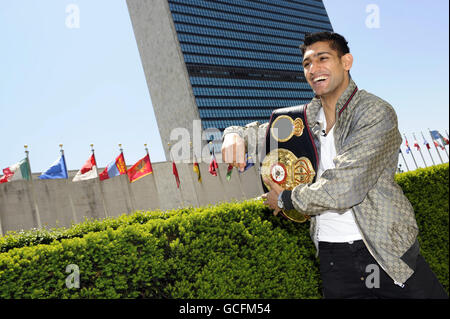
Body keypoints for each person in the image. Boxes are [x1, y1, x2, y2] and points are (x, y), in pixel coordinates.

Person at [221, 32, 448, 299]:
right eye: (307, 64)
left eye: (323, 59)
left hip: (385, 250)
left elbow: (344, 189)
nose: (313, 69)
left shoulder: (374, 112)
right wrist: (233, 134)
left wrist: (285, 199)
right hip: (332, 256)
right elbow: (262, 131)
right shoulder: (300, 120)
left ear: (346, 62)